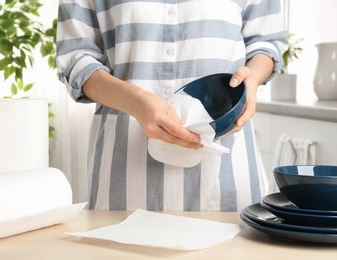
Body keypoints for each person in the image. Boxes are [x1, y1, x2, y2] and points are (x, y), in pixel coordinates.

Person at [56, 0, 288, 211]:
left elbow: (265, 43)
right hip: (125, 165)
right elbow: (76, 58)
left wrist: (253, 76)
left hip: (226, 168)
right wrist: (135, 101)